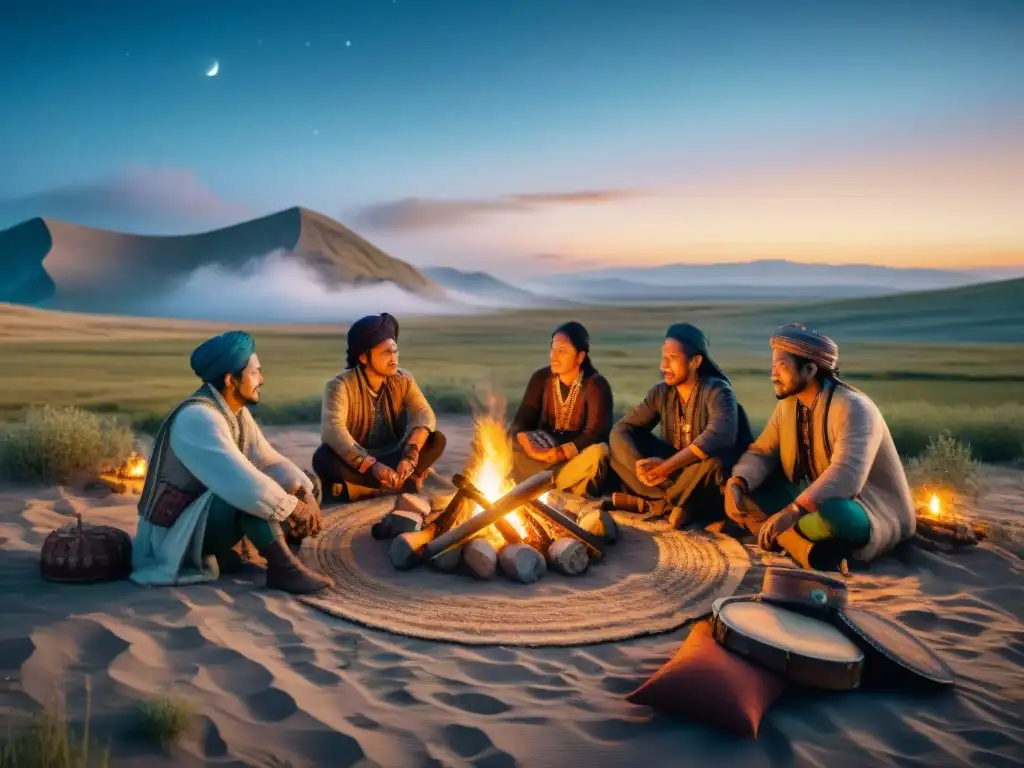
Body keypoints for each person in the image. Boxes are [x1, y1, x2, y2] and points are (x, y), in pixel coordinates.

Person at [130, 331, 332, 594]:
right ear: (230, 379)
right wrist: (296, 509)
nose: (262, 379)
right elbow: (242, 482)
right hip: (176, 535)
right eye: (255, 373)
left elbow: (269, 460)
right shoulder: (197, 418)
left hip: (203, 520)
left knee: (298, 481)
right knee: (249, 496)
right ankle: (285, 569)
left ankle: (279, 549)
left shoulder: (236, 413)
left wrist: (306, 493)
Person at [725, 324, 916, 567]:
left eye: (782, 366)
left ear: (809, 369)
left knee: (836, 515)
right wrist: (739, 481)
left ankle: (785, 535)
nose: (773, 374)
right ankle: (799, 543)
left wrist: (794, 511)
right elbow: (763, 452)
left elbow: (847, 475)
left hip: (866, 507)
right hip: (809, 502)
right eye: (773, 365)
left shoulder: (854, 408)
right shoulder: (789, 405)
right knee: (742, 490)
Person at [609, 323, 753, 527]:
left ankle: (658, 503)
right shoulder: (660, 392)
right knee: (619, 435)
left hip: (703, 479)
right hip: (672, 475)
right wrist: (649, 467)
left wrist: (666, 467)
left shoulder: (718, 391)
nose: (663, 366)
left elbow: (720, 435)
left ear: (695, 361)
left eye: (673, 358)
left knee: (714, 462)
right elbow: (624, 427)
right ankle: (671, 504)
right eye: (663, 357)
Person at [313, 313, 446, 501]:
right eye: (386, 353)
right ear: (363, 357)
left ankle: (366, 489)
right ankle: (400, 484)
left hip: (395, 457)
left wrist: (411, 455)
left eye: (395, 351)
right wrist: (373, 466)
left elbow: (424, 414)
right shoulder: (340, 385)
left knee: (435, 440)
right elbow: (333, 431)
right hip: (358, 464)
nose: (394, 359)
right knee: (323, 457)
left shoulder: (404, 379)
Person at [509, 321, 614, 497]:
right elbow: (521, 422)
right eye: (553, 349)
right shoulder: (541, 378)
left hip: (574, 460)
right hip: (542, 457)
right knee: (504, 441)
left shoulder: (595, 385)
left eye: (562, 351)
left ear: (580, 357)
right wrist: (531, 447)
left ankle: (554, 485)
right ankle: (556, 485)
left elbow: (596, 433)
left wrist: (560, 453)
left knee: (599, 453)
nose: (554, 357)